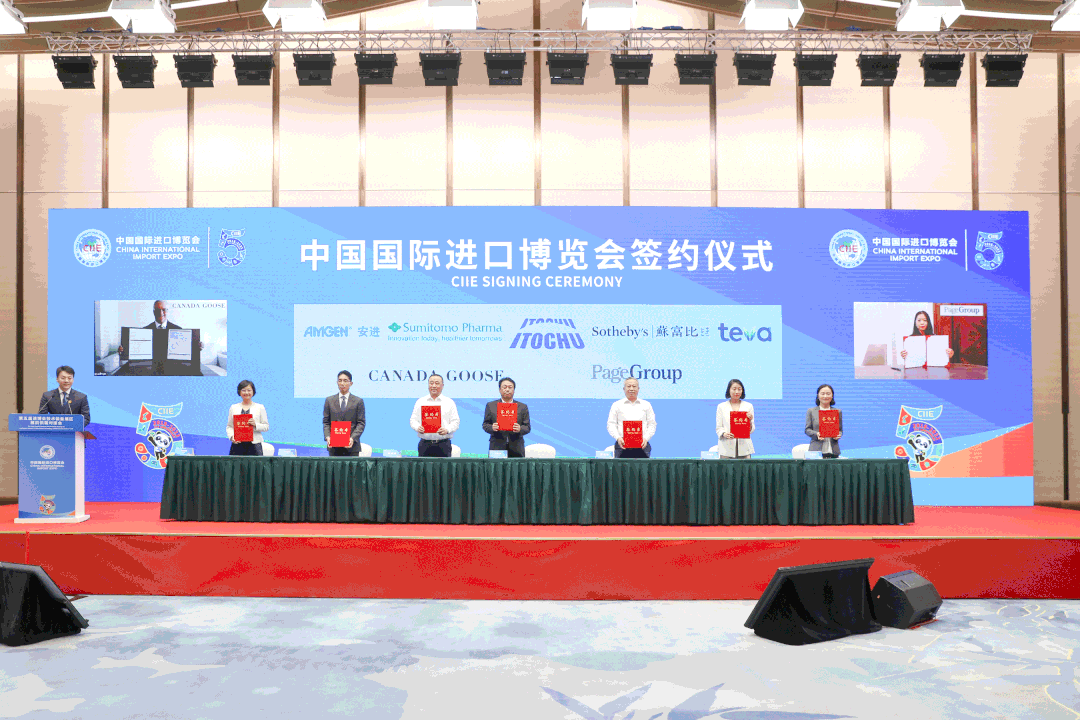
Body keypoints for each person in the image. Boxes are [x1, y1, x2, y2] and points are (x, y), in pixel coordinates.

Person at [410, 374, 460, 457]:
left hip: (443, 444)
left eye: (437, 383)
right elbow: (413, 420)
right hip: (425, 444)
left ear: (442, 386)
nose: (433, 386)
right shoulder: (420, 401)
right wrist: (417, 427)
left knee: (444, 466)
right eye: (431, 383)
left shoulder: (449, 402)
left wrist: (447, 430)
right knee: (424, 466)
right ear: (428, 385)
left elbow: (455, 422)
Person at [606, 377, 656, 459]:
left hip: (642, 445)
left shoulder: (646, 405)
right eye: (629, 386)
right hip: (622, 445)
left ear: (638, 389)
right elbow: (611, 424)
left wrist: (646, 438)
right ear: (624, 389)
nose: (631, 389)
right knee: (620, 467)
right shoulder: (616, 405)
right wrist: (618, 438)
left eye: (634, 386)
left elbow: (652, 424)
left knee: (643, 467)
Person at [482, 377, 531, 458]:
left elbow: (527, 427)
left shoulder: (522, 407)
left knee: (516, 467)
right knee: (496, 466)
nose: (507, 390)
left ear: (514, 390)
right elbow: (485, 425)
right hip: (497, 446)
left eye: (510, 387)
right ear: (499, 390)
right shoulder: (491, 405)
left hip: (517, 447)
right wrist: (492, 427)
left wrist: (520, 428)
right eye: (504, 387)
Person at [322, 370, 366, 457]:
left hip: (352, 447)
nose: (342, 383)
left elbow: (361, 423)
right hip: (334, 447)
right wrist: (328, 437)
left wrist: (352, 438)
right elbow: (326, 422)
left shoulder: (358, 401)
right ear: (337, 383)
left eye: (345, 381)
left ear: (351, 383)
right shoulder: (329, 400)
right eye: (340, 380)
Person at [226, 379, 269, 456]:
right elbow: (229, 426)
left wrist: (255, 425)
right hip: (237, 445)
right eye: (243, 390)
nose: (246, 393)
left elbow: (266, 426)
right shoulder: (233, 407)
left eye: (249, 390)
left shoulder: (260, 407)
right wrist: (232, 437)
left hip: (255, 445)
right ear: (239, 392)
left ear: (253, 392)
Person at [715, 378, 755, 459]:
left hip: (744, 447)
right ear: (729, 390)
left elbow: (751, 429)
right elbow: (718, 427)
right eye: (734, 389)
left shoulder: (748, 406)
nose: (737, 392)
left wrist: (750, 421)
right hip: (726, 448)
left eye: (739, 389)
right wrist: (724, 434)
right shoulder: (721, 406)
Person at [805, 384, 842, 459]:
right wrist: (816, 434)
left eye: (828, 394)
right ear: (818, 395)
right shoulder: (811, 411)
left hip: (833, 450)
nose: (825, 396)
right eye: (822, 393)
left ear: (832, 396)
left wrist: (838, 434)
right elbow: (807, 430)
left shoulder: (837, 411)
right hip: (816, 451)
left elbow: (840, 430)